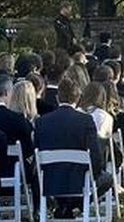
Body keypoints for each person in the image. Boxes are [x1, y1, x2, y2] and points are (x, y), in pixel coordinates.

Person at [34, 74, 107, 214]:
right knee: (106, 179)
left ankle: (65, 208)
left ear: (57, 97)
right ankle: (74, 207)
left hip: (50, 178)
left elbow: (37, 151)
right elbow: (95, 155)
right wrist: (94, 174)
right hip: (78, 179)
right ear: (78, 98)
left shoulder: (42, 121)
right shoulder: (85, 120)